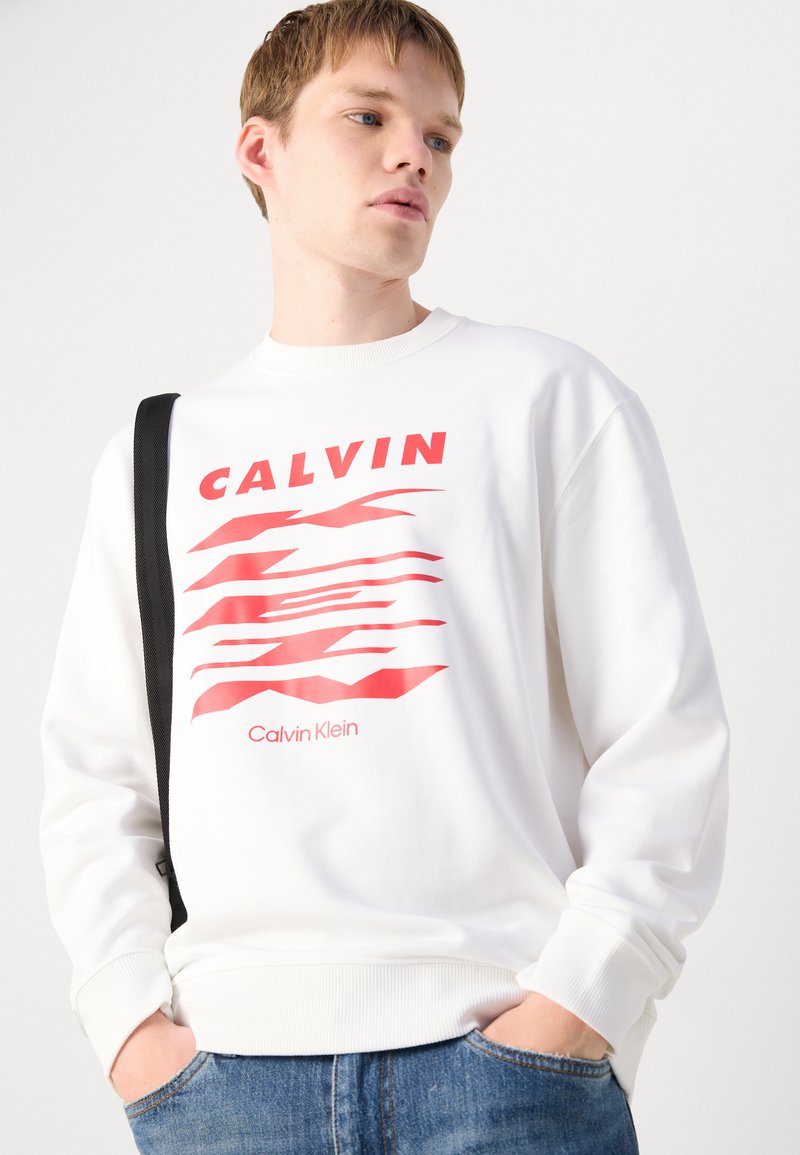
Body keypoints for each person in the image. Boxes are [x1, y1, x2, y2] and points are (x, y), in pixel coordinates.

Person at [38, 2, 730, 1152]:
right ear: (260, 148)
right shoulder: (160, 450)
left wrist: (579, 1003)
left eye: (439, 135)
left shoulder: (544, 399)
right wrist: (129, 1027)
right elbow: (96, 777)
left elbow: (663, 733)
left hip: (504, 1072)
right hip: (226, 1085)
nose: (414, 154)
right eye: (368, 117)